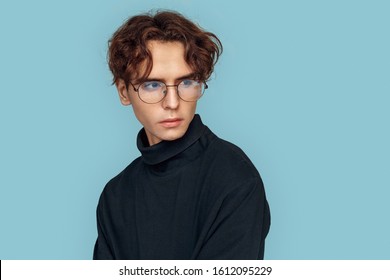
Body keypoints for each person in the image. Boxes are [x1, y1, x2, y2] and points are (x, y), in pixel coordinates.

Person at [93, 10, 270, 260]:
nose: (173, 102)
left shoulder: (234, 178)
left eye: (187, 82)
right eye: (153, 85)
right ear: (124, 91)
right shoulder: (115, 195)